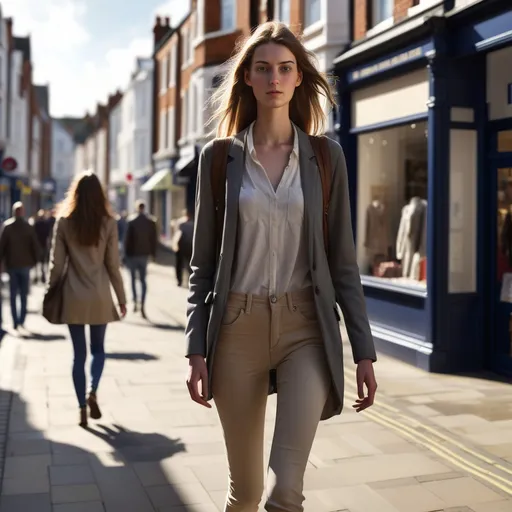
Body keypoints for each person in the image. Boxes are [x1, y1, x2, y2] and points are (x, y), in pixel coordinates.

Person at [185, 22, 378, 512]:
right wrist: (195, 348)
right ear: (247, 78)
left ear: (298, 79)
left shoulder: (324, 156)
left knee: (284, 492)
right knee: (245, 495)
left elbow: (343, 264)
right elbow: (202, 267)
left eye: (286, 68)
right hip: (235, 330)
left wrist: (364, 351)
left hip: (305, 330)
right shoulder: (219, 159)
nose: (275, 78)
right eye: (264, 68)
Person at [46, 171, 127, 427]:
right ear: (100, 196)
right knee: (99, 350)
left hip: (72, 295)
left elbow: (56, 264)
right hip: (100, 295)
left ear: (76, 193)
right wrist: (122, 298)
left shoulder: (64, 222)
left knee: (78, 354)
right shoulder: (109, 223)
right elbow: (113, 265)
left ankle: (81, 407)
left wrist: (50, 290)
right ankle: (93, 390)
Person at [0, 202, 40, 332]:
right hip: (19, 265)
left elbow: (34, 246)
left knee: (18, 294)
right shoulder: (17, 226)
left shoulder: (16, 226)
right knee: (19, 294)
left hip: (18, 265)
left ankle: (18, 320)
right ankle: (18, 320)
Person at [124, 200, 157, 318]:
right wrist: (153, 254)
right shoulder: (150, 222)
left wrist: (125, 256)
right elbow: (154, 239)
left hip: (133, 255)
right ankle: (142, 303)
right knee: (143, 280)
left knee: (133, 279)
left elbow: (127, 240)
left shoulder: (131, 221)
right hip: (144, 254)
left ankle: (135, 301)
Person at [171, 209, 194, 287]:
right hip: (190, 247)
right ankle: (189, 280)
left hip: (181, 247)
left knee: (179, 265)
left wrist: (174, 245)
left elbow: (177, 235)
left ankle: (179, 281)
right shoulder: (193, 224)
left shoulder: (180, 223)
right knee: (190, 265)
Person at [33, 209, 52, 283]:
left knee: (40, 262)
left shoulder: (38, 224)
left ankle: (39, 276)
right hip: (41, 245)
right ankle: (40, 276)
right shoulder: (43, 224)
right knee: (42, 262)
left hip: (40, 245)